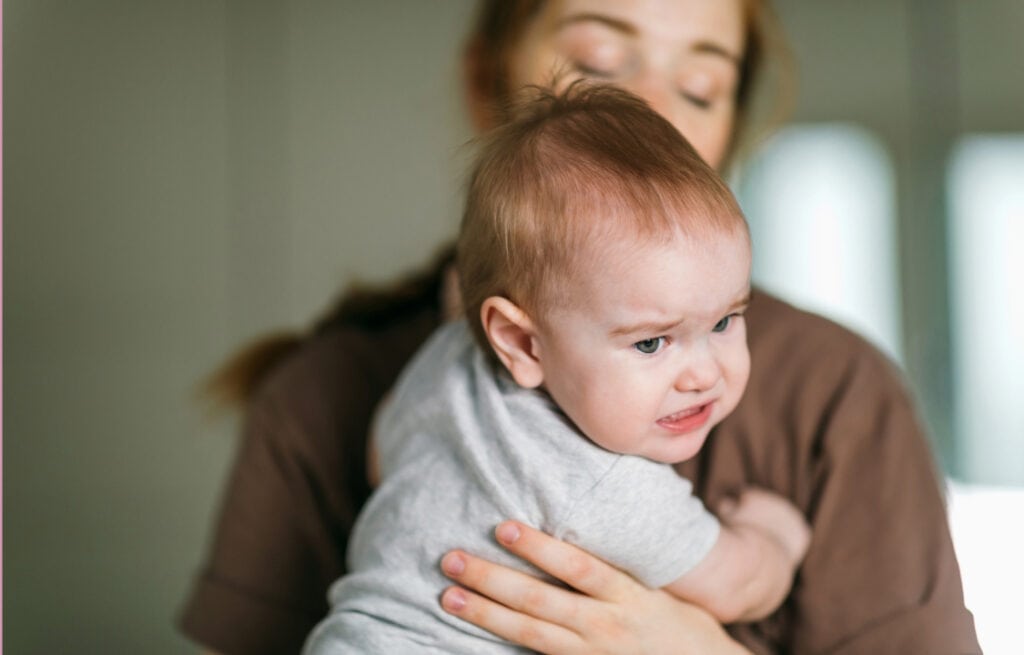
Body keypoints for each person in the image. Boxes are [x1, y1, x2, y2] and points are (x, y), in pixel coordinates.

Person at [180, 1, 981, 654]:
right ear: (485, 79)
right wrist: (767, 531)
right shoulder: (324, 393)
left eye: (700, 85)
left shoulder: (839, 391)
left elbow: (392, 444)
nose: (647, 115)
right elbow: (738, 578)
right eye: (597, 64)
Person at [302, 83, 811, 654]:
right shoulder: (601, 481)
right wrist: (776, 536)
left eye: (724, 322)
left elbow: (381, 455)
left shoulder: (443, 362)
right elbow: (736, 587)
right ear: (522, 343)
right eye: (651, 344)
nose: (703, 374)